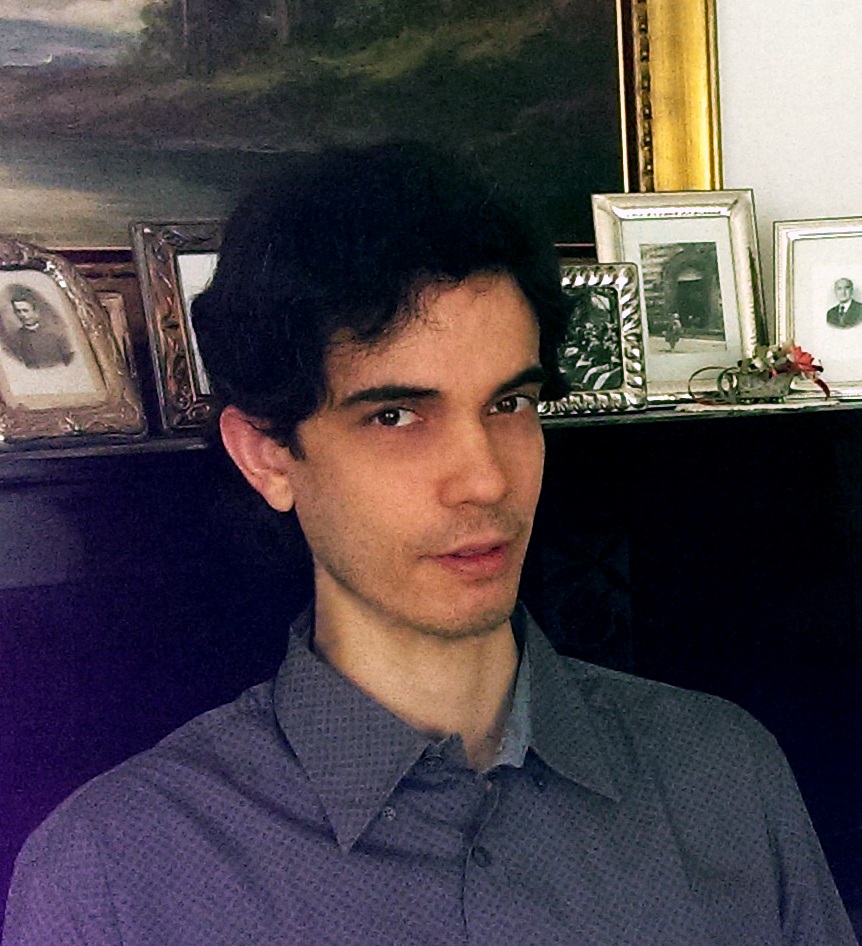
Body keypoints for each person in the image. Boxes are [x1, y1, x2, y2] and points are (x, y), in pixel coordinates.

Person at [2, 143, 856, 946]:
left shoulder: (723, 776)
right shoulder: (112, 876)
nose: (484, 479)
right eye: (395, 416)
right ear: (267, 456)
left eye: (509, 404)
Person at [4, 288, 75, 369]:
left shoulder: (55, 333)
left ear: (35, 310)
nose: (22, 315)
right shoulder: (16, 339)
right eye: (18, 311)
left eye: (25, 310)